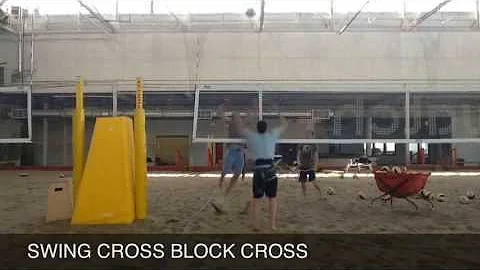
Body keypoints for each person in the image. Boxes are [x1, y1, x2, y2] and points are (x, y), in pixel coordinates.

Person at [236, 116, 288, 231]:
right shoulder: (272, 134)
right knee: (272, 199)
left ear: (257, 128)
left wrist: (246, 119)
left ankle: (256, 225)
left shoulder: (252, 136)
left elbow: (239, 128)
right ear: (266, 128)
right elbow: (285, 125)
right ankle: (272, 225)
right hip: (270, 169)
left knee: (257, 199)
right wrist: (279, 114)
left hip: (259, 170)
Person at [212, 111, 246, 213]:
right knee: (225, 172)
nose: (238, 118)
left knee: (237, 174)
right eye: (236, 117)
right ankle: (219, 188)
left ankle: (227, 191)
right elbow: (223, 117)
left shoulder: (242, 126)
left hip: (240, 152)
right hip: (231, 150)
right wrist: (221, 109)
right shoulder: (231, 124)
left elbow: (250, 119)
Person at [296, 130, 322, 198]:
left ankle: (320, 193)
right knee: (302, 182)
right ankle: (304, 196)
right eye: (307, 134)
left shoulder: (314, 144)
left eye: (310, 134)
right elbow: (298, 154)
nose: (308, 135)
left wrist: (316, 165)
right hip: (303, 166)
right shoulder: (301, 143)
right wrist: (298, 162)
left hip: (310, 166)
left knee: (313, 182)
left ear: (312, 135)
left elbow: (316, 156)